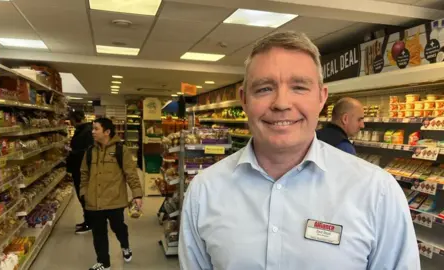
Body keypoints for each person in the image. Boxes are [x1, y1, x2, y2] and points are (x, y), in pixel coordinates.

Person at [179, 31, 419, 269]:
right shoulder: (205, 192)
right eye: (264, 88)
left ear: (321, 98)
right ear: (244, 100)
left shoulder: (377, 192)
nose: (282, 103)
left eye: (299, 87)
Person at [80, 118, 143, 270]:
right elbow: (84, 174)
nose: (93, 132)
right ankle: (104, 262)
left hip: (115, 199)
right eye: (93, 129)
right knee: (98, 233)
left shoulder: (121, 150)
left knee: (118, 227)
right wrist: (84, 193)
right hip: (94, 201)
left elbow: (131, 173)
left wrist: (137, 195)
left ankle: (125, 246)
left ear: (107, 132)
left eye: (96, 129)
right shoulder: (90, 151)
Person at [66, 110, 94, 234]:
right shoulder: (82, 130)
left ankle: (90, 223)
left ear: (77, 119)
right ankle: (87, 220)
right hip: (78, 168)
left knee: (84, 196)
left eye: (72, 120)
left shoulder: (86, 132)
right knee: (82, 196)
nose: (71, 123)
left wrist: (72, 151)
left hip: (83, 170)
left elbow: (88, 152)